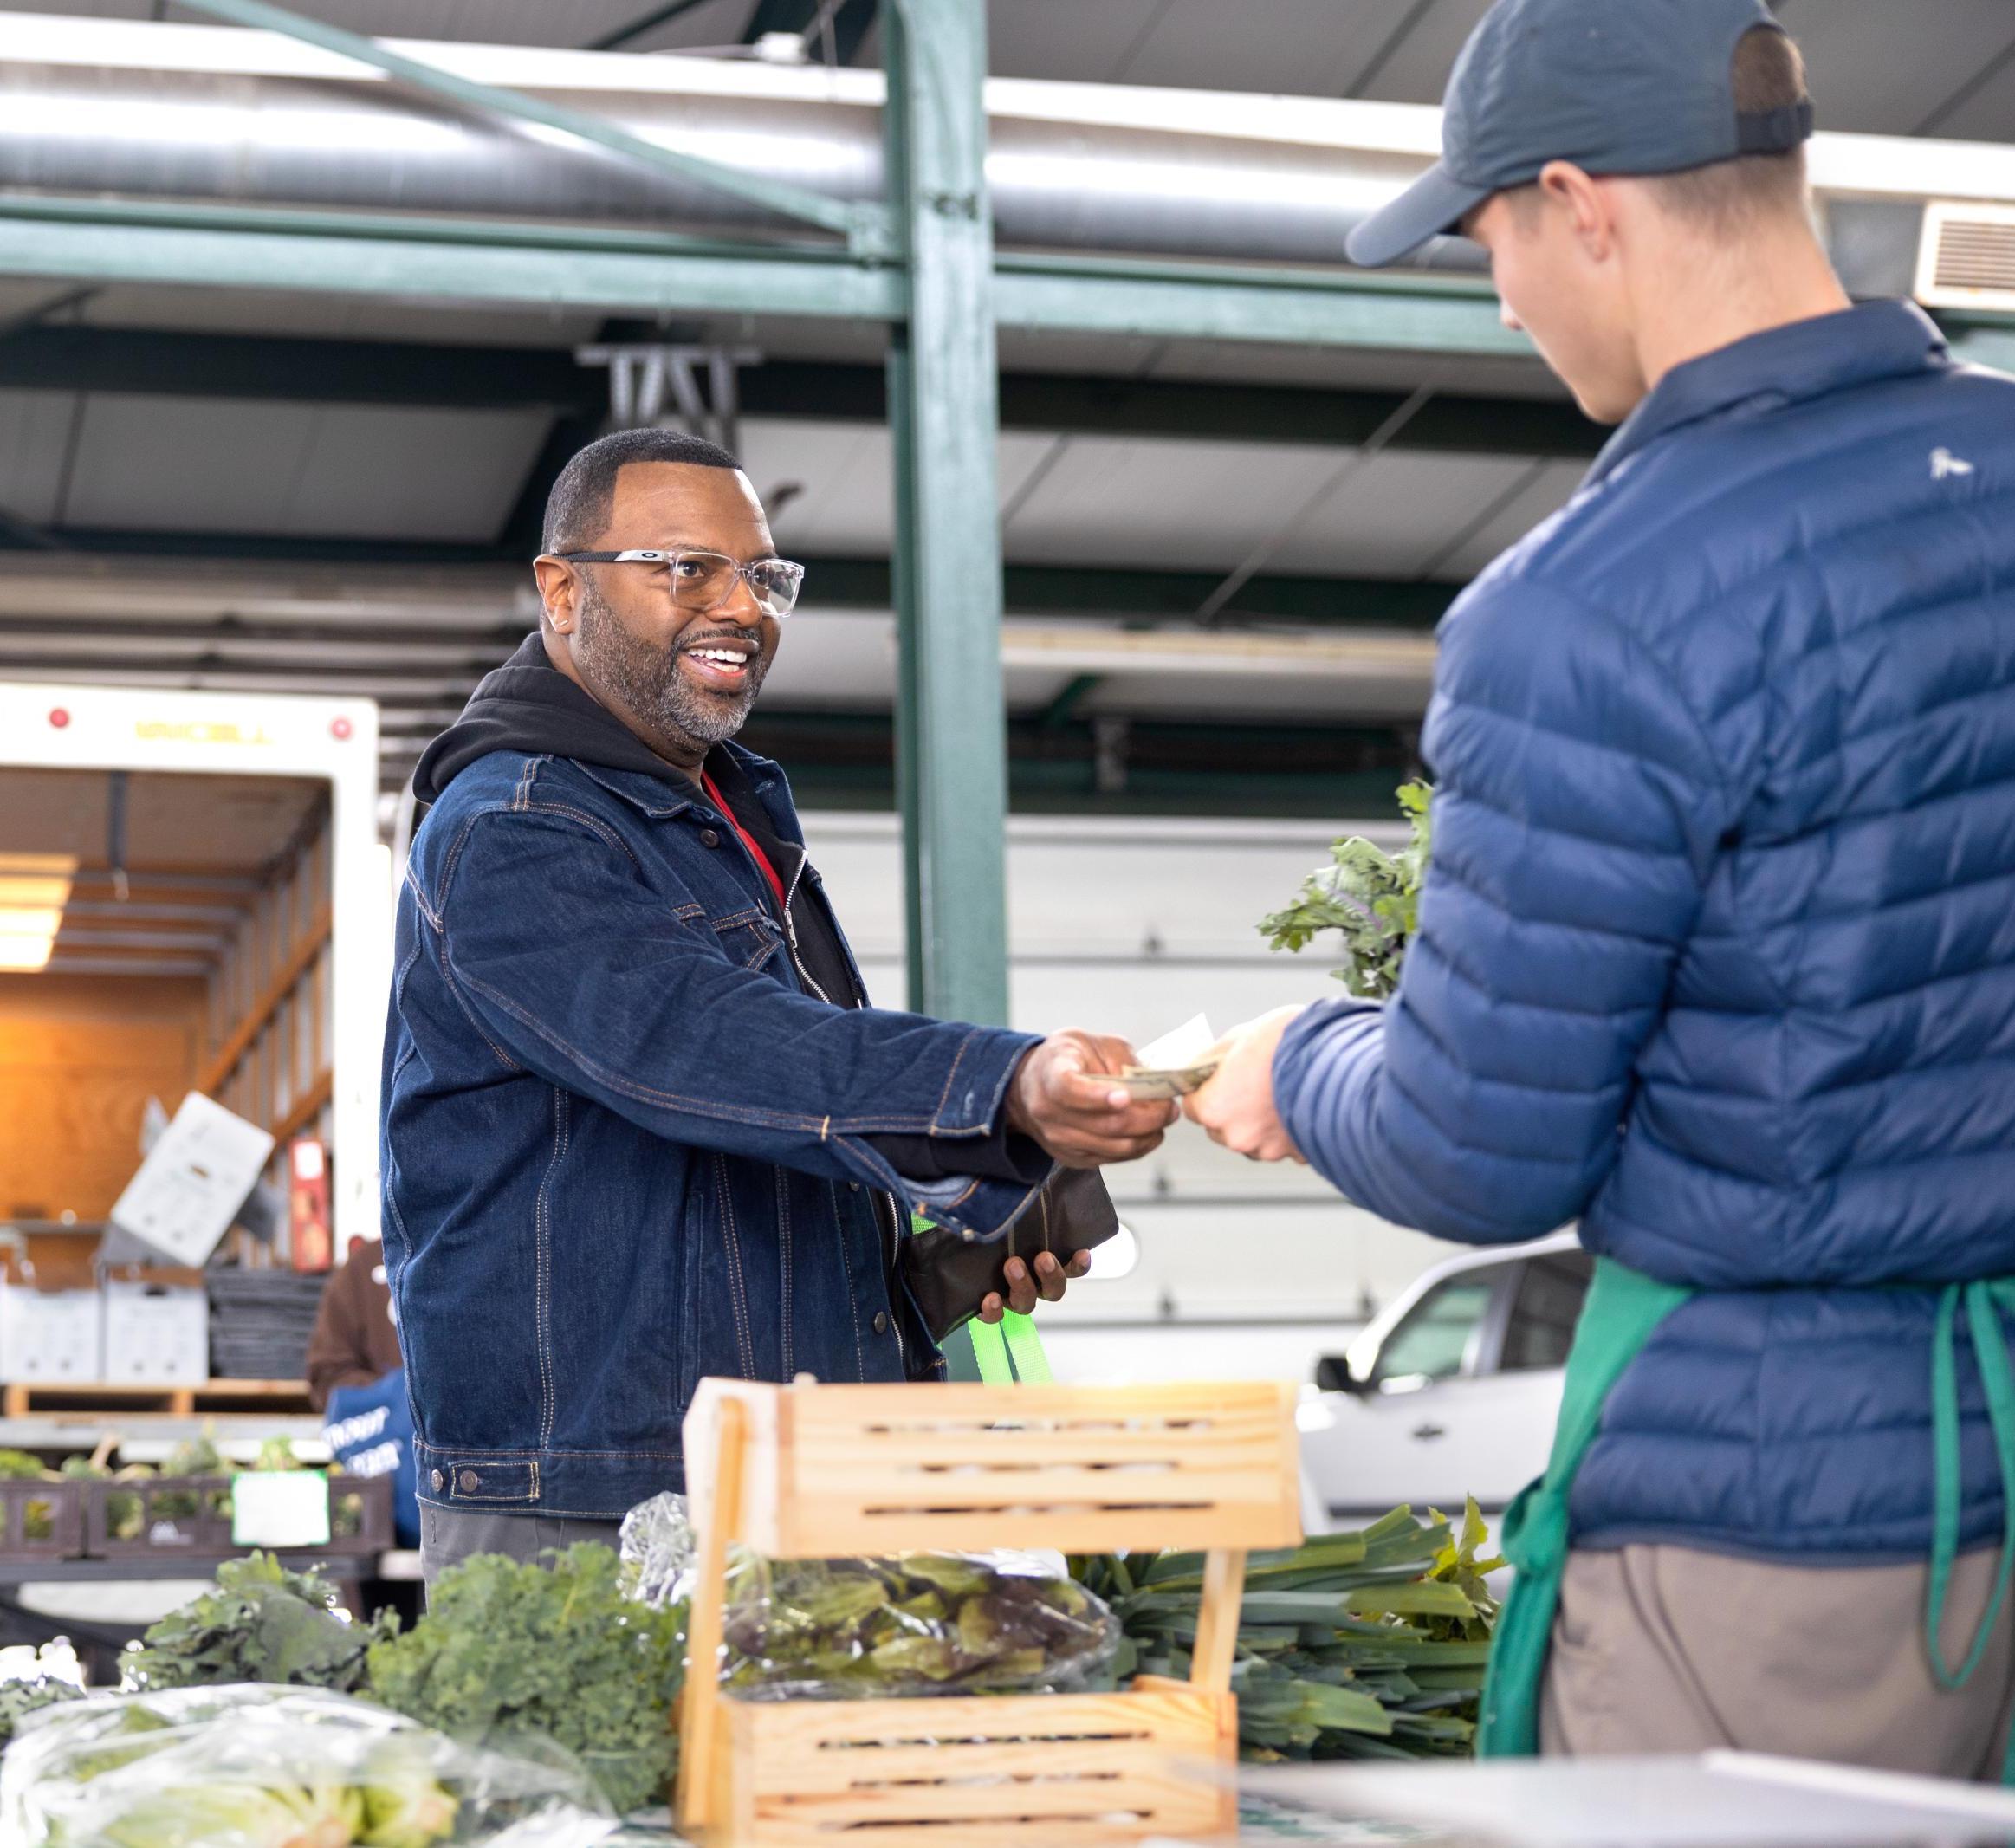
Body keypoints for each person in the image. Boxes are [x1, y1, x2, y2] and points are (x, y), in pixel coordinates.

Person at [1190, 0, 2015, 1777]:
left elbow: (1476, 1143)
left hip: (1777, 1516)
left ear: (1577, 203)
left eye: (1481, 239)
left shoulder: (1587, 605)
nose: (1494, 296)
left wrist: (1300, 1056)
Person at [384, 428, 1176, 1585]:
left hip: (782, 1464)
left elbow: (760, 1146)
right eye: (682, 567)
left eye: (762, 575)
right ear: (562, 588)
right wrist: (997, 1087)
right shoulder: (516, 830)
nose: (739, 606)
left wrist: (934, 1253)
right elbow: (707, 1049)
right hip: (600, 1503)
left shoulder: (721, 816)